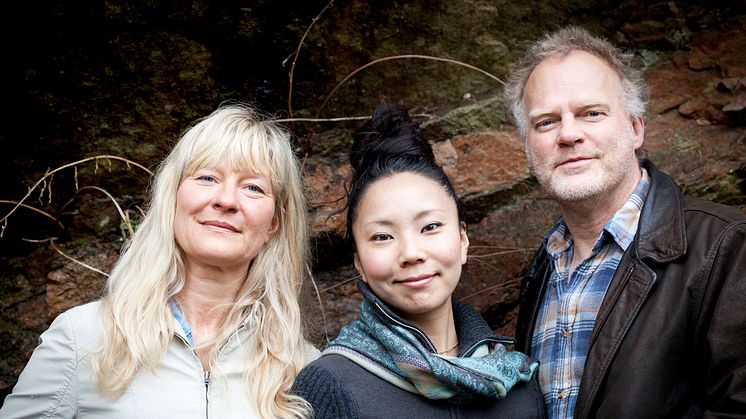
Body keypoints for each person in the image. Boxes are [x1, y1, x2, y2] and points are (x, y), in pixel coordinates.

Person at [0, 104, 317, 418]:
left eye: (253, 187)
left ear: (274, 223)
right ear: (173, 198)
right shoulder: (82, 338)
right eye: (207, 178)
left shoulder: (303, 368)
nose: (226, 200)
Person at [503, 26, 746, 418]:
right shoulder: (542, 270)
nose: (568, 134)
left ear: (635, 128)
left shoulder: (727, 248)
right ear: (528, 145)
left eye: (591, 113)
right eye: (546, 122)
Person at [292, 104, 545, 418]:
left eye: (430, 227)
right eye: (383, 236)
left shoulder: (518, 385)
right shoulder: (331, 384)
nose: (411, 253)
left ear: (463, 239)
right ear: (358, 261)